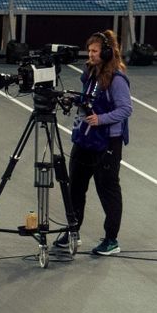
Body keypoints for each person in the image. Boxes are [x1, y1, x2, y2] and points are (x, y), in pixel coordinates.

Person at [56, 31, 131, 257]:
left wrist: (101, 119)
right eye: (89, 51)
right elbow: (87, 98)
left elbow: (126, 109)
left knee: (107, 189)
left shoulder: (117, 79)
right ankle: (72, 230)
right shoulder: (89, 72)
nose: (90, 55)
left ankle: (111, 239)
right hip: (85, 138)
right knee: (76, 186)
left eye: (95, 51)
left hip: (107, 142)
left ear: (106, 53)